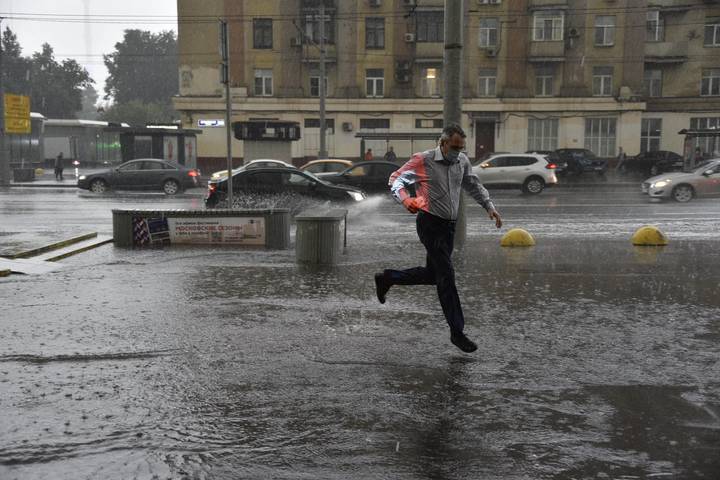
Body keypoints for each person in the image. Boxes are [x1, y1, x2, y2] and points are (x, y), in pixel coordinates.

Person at [374, 124, 503, 353]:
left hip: (448, 228)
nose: (458, 152)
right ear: (442, 143)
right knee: (447, 275)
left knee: (434, 275)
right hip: (429, 224)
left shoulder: (461, 161)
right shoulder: (423, 160)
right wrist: (406, 200)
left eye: (461, 148)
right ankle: (457, 332)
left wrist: (489, 207)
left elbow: (473, 184)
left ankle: (388, 278)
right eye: (454, 147)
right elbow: (395, 179)